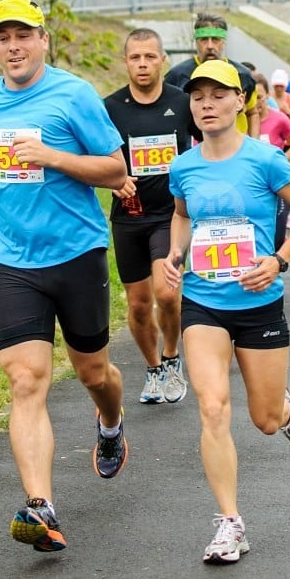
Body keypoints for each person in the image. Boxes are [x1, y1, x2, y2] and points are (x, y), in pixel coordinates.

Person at [0, 0, 128, 555]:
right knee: (25, 380)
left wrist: (51, 156)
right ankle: (41, 507)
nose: (13, 47)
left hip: (77, 254)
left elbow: (115, 168)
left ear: (43, 40)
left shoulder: (73, 94)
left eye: (23, 35)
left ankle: (111, 422)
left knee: (94, 372)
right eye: (3, 38)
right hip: (14, 261)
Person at [163, 60, 290, 564]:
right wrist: (174, 255)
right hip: (202, 302)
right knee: (212, 408)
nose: (206, 105)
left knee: (265, 421)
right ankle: (230, 523)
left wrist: (277, 260)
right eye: (198, 97)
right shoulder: (183, 166)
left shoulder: (265, 160)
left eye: (218, 95)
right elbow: (182, 215)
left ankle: (283, 407)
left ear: (241, 101)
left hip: (259, 303)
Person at [105, 28, 191, 405]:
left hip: (169, 214)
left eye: (149, 57)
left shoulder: (183, 102)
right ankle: (153, 367)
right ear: (126, 61)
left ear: (162, 60)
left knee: (167, 293)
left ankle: (173, 356)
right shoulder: (109, 107)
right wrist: (113, 179)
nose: (142, 64)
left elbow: (208, 145)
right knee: (139, 304)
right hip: (128, 216)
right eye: (135, 57)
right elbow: (94, 156)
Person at [164, 13, 259, 137]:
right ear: (196, 42)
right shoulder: (176, 75)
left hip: (236, 149)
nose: (210, 46)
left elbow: (252, 113)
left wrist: (255, 145)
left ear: (223, 41)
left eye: (215, 40)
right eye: (204, 40)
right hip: (194, 150)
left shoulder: (243, 74)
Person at [254, 74, 290, 248]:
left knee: (277, 237)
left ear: (267, 95)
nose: (255, 102)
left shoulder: (279, 119)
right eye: (251, 98)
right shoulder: (239, 123)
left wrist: (278, 160)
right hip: (253, 186)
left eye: (259, 97)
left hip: (277, 184)